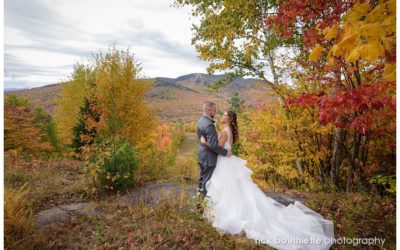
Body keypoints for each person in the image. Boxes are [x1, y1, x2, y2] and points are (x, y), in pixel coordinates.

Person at [200, 110, 335, 250]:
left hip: (225, 163)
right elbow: (225, 146)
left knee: (228, 189)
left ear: (229, 118)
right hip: (228, 162)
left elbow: (217, 147)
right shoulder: (229, 130)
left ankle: (230, 215)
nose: (222, 116)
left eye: (224, 115)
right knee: (236, 190)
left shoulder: (225, 130)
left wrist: (205, 142)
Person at [196, 101, 232, 211]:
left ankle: (199, 203)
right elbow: (214, 146)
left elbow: (205, 140)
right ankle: (201, 207)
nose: (215, 112)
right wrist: (226, 153)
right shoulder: (209, 124)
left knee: (202, 180)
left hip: (202, 155)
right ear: (209, 110)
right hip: (209, 158)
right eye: (214, 110)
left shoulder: (200, 121)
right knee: (207, 183)